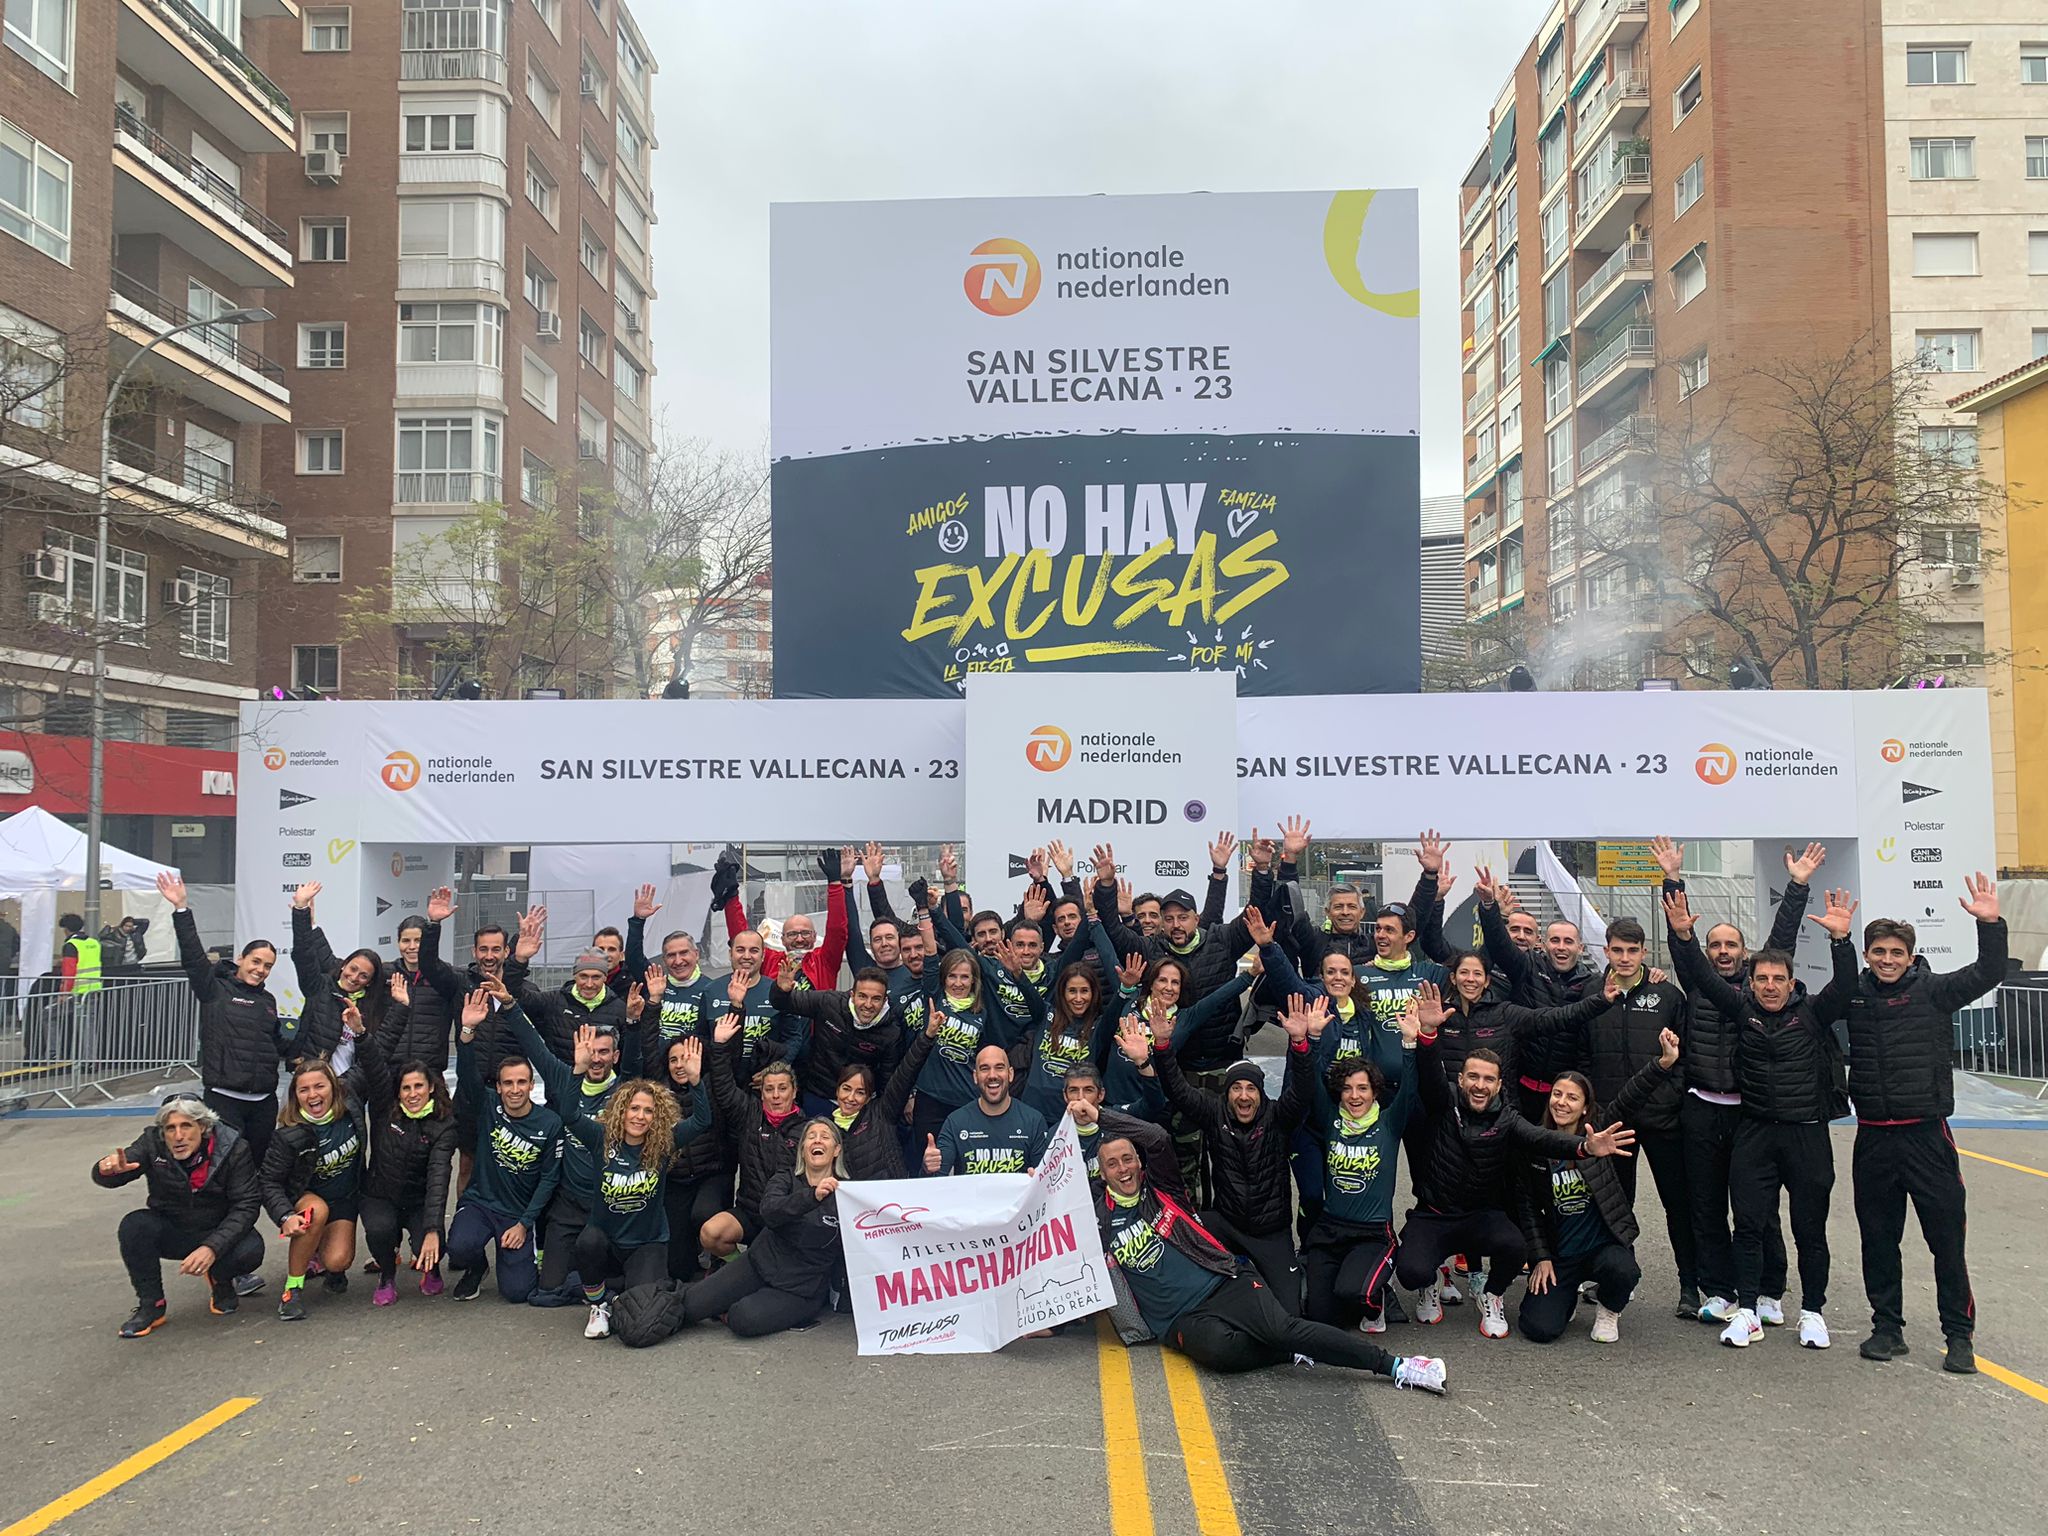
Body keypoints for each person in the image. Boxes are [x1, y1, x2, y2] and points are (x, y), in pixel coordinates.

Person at [1665, 886, 1858, 1351]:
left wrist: (1841, 942)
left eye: (1778, 979)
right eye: (1763, 979)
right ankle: (1747, 1310)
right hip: (1755, 1134)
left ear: (1791, 983)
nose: (1770, 985)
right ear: (1750, 983)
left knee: (1808, 1229)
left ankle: (1812, 1311)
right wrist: (1683, 937)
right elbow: (1698, 975)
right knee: (1749, 1224)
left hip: (1806, 1136)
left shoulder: (1812, 1014)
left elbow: (1847, 986)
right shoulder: (1741, 1010)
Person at [1096, 1135, 1445, 1391]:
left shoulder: (1162, 1192)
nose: (1122, 1169)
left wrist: (1097, 1116)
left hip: (1222, 1282)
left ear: (1140, 1163)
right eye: (1112, 1164)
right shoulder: (1096, 1221)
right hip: (1177, 1319)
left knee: (1284, 1329)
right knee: (1220, 1351)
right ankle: (1291, 1352)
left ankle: (1398, 1366)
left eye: (1128, 1159)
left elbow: (1155, 1137)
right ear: (1101, 1173)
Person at [1397, 983, 1639, 1338]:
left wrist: (1584, 1149)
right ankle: (1430, 1282)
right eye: (1473, 1077)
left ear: (1499, 1085)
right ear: (1461, 1080)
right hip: (1436, 1215)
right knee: (1411, 1270)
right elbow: (1430, 1077)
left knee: (1515, 1246)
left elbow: (1542, 1137)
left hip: (1481, 1215)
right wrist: (1428, 1034)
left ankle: (1492, 1294)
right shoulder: (1443, 1104)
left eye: (1489, 1079)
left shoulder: (1508, 1118)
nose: (1480, 1085)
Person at [1844, 872, 2006, 1375]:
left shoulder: (1935, 991)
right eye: (1879, 952)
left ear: (1911, 957)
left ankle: (1958, 1335)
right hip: (1873, 1138)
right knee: (1878, 1239)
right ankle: (1887, 1328)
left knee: (1946, 1242)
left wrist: (1990, 923)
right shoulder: (1852, 998)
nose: (1887, 960)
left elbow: (1988, 970)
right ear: (1866, 955)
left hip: (1926, 1137)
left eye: (1896, 952)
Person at [1652, 836, 1819, 1326]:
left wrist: (1797, 887)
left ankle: (1769, 1290)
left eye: (1731, 945)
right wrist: (1672, 879)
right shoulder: (1699, 982)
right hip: (1702, 1109)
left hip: (1751, 1112)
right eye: (1715, 946)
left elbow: (1783, 940)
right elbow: (1681, 935)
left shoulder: (1756, 988)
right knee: (1705, 1205)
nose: (1723, 952)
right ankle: (1720, 1290)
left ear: (1746, 955)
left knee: (1757, 1209)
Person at [158, 870, 292, 1299]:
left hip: (262, 1104)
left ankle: (235, 1261)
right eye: (256, 962)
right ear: (241, 961)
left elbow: (283, 1047)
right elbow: (194, 957)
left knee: (250, 1185)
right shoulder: (214, 989)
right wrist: (182, 908)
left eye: (268, 966)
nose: (261, 970)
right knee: (221, 1180)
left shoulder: (269, 1002)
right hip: (223, 1101)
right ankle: (224, 1265)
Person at [1515, 1031, 1681, 1344]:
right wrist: (1541, 1257)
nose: (1562, 1103)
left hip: (1602, 1248)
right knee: (1539, 1329)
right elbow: (1526, 1208)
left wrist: (1662, 1063)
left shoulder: (1600, 1133)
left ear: (1585, 1106)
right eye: (1557, 1094)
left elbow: (1631, 1095)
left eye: (1572, 1097)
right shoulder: (1536, 1143)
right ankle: (1565, 1302)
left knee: (1623, 1270)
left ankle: (1609, 1308)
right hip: (1560, 1255)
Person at [1287, 994, 1428, 1333]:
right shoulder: (1330, 1116)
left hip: (1371, 1234)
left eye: (1363, 1088)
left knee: (1355, 1294)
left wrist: (1411, 1043)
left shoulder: (1391, 1123)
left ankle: (1377, 1296)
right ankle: (1354, 1284)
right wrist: (1311, 1040)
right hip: (1330, 1230)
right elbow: (1311, 1081)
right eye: (1348, 1088)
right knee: (1322, 1318)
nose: (1354, 1096)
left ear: (1375, 1091)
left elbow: (1410, 1088)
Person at [1577, 916, 1696, 1314]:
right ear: (1606, 951)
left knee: (1677, 1203)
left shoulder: (1667, 995)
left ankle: (1690, 1286)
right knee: (1615, 1204)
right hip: (1612, 1120)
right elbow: (1580, 1055)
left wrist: (1671, 1093)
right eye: (1617, 950)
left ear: (1644, 953)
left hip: (1662, 1117)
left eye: (1632, 951)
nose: (1625, 958)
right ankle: (1617, 1283)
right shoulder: (1591, 993)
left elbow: (1685, 1057)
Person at [560, 1044, 714, 1339]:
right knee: (587, 1242)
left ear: (657, 1116)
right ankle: (599, 1305)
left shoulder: (665, 1142)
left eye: (648, 1111)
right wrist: (577, 1071)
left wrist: (696, 1082)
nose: (640, 1116)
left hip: (647, 1244)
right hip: (606, 1240)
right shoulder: (600, 1138)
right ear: (621, 1110)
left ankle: (620, 1292)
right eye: (634, 1108)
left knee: (642, 1313)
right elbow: (568, 1113)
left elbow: (702, 1122)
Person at [1153, 1019, 1307, 1310]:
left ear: (1261, 1094)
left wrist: (1300, 1045)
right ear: (1228, 1093)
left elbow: (1302, 1092)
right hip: (1227, 1226)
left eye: (1251, 1088)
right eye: (1237, 1088)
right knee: (1184, 1229)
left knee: (1290, 1311)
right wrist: (1162, 1046)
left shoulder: (1277, 1117)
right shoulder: (1215, 1113)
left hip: (1270, 1232)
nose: (1244, 1096)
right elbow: (1177, 1090)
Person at [493, 977, 628, 1303]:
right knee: (546, 1290)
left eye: (603, 1053)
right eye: (590, 1052)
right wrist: (510, 1006)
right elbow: (534, 1046)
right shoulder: (565, 1076)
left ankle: (600, 1284)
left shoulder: (627, 1088)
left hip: (610, 1203)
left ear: (615, 1055)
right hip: (568, 1205)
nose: (596, 1059)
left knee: (625, 1274)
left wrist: (637, 1019)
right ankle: (593, 1288)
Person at [93, 1094, 264, 1336]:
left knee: (250, 1250)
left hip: (217, 1229)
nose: (178, 1136)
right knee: (134, 1225)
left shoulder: (235, 1148)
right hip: (173, 1227)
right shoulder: (152, 1142)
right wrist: (106, 1170)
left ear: (203, 1127)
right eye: (170, 1128)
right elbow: (125, 1164)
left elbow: (246, 1206)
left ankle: (221, 1281)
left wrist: (212, 1248)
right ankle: (151, 1305)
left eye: (186, 1126)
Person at [680, 1119, 849, 1338]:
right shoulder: (785, 1178)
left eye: (825, 1137)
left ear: (836, 1150)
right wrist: (812, 1196)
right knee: (692, 1304)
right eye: (811, 1136)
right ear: (803, 1149)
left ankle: (740, 1305)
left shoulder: (848, 1193)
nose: (817, 1140)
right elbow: (770, 1211)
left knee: (743, 1318)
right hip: (760, 1264)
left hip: (800, 1287)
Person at [448, 989, 564, 1303]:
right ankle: (477, 1267)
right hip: (481, 1204)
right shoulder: (488, 1106)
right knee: (459, 1246)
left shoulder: (549, 1123)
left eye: (521, 1082)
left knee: (517, 1293)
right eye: (508, 1083)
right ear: (498, 1087)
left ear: (531, 1084)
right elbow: (466, 1074)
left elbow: (549, 1179)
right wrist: (467, 1032)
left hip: (516, 1215)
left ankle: (511, 1256)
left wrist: (524, 1224)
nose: (514, 1089)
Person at [259, 1030, 375, 1322]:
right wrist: (286, 1216)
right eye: (304, 1090)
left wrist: (363, 1030)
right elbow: (269, 1181)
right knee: (316, 1211)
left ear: (334, 1087)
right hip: (306, 1196)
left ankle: (324, 1255)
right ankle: (292, 1289)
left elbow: (376, 1053)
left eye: (319, 1086)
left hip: (345, 1198)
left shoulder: (350, 1103)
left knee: (338, 1260)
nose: (313, 1095)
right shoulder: (288, 1134)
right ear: (295, 1095)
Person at [356, 980, 459, 1307]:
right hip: (381, 1194)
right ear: (397, 1092)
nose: (412, 1094)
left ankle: (429, 1266)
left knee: (433, 1242)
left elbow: (439, 1179)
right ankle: (387, 1273)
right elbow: (373, 1062)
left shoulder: (444, 1123)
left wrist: (431, 1229)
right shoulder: (387, 1106)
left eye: (419, 1086)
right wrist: (361, 1034)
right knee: (380, 1231)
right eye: (406, 1088)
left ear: (431, 1088)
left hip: (417, 1199)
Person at [430, 903, 538, 1196]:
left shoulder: (526, 992)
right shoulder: (461, 983)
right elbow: (430, 965)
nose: (489, 956)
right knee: (467, 1163)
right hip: (471, 1093)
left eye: (496, 949)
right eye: (483, 949)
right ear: (474, 952)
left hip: (511, 1092)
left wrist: (520, 962)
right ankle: (465, 1220)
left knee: (511, 1163)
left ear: (506, 951)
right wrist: (433, 925)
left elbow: (542, 1037)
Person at [700, 1003, 809, 1259]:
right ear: (761, 1093)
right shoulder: (749, 1113)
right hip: (750, 1212)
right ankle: (737, 1265)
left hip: (786, 1220)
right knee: (711, 1233)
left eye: (782, 1088)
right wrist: (719, 1045)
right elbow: (724, 1086)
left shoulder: (809, 1131)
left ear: (794, 1091)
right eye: (769, 1089)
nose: (776, 1095)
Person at [652, 1033, 734, 1279]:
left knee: (702, 1213)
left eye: (685, 1058)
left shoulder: (712, 1085)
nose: (680, 1065)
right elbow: (643, 1048)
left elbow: (732, 1059)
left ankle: (729, 1260)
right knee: (679, 1268)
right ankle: (699, 1262)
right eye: (673, 1059)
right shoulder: (658, 1094)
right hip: (676, 1179)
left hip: (711, 1172)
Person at [771, 962, 902, 1113]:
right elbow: (783, 1003)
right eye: (862, 996)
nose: (868, 1004)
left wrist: (878, 1115)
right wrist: (781, 991)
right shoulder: (829, 1002)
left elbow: (886, 1081)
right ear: (852, 995)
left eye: (876, 999)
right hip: (819, 1095)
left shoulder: (891, 1033)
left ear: (885, 1001)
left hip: (858, 1104)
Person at [721, 847, 850, 991]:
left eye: (805, 933)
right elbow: (743, 938)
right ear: (782, 939)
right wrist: (731, 897)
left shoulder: (824, 961)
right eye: (792, 934)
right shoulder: (770, 960)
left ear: (815, 937)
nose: (800, 939)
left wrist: (835, 884)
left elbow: (837, 929)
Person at [835, 1006, 939, 1179]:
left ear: (868, 1098)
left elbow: (906, 1073)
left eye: (860, 1092)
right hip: (857, 1205)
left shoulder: (882, 1113)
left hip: (893, 1200)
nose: (851, 1098)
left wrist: (927, 1037)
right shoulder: (826, 1129)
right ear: (837, 1091)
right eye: (846, 1089)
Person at [1063, 1059, 1183, 1197]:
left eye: (1088, 1090)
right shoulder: (1055, 1135)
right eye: (1073, 1090)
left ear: (1101, 1094)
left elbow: (1154, 1105)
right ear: (1065, 1096)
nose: (1081, 1098)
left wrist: (1142, 1063)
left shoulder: (1119, 1117)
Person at [926, 1043, 1051, 1175]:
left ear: (1010, 1074)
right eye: (985, 1068)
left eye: (999, 1067)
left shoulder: (1034, 1121)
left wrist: (1038, 1179)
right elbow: (935, 1182)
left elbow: (1046, 1183)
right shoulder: (955, 1122)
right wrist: (928, 1168)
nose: (992, 1075)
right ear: (975, 1076)